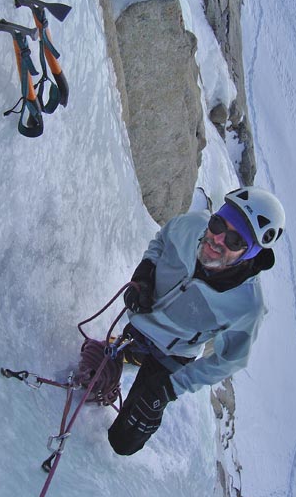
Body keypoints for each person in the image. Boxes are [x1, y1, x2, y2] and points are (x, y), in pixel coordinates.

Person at [108, 186, 285, 456]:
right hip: (143, 319)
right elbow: (161, 241)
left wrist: (170, 388)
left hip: (173, 355)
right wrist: (143, 275)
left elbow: (228, 361)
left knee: (124, 441)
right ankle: (135, 354)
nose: (217, 239)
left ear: (249, 254)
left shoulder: (247, 306)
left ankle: (141, 359)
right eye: (217, 224)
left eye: (235, 241)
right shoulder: (192, 226)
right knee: (106, 362)